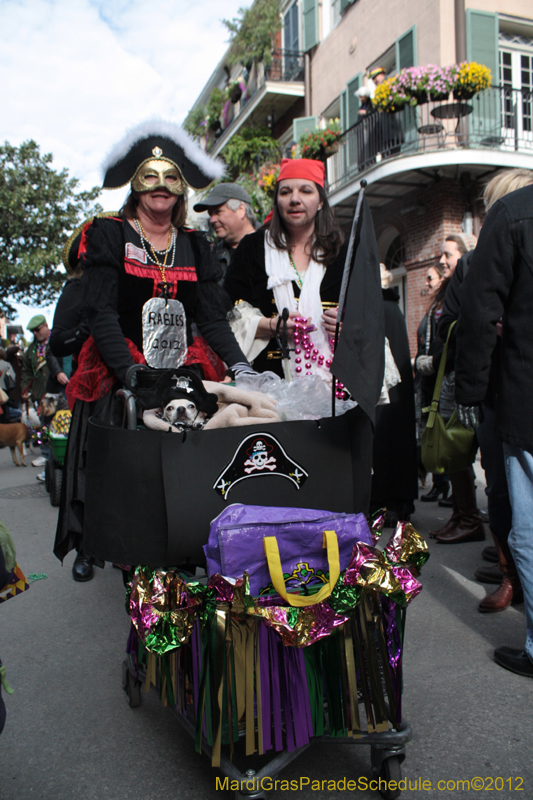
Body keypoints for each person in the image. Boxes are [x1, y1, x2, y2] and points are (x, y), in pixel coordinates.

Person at [55, 120, 255, 582]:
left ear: (181, 188)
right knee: (120, 455)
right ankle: (102, 538)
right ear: (136, 186)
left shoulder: (194, 243)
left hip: (183, 364)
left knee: (197, 453)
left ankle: (191, 543)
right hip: (121, 361)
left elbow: (209, 317)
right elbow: (102, 312)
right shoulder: (108, 234)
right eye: (151, 177)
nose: (161, 188)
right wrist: (128, 371)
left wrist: (241, 365)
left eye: (170, 179)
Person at [225, 157, 384, 515]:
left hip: (334, 386)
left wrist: (348, 327)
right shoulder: (253, 249)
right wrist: (269, 325)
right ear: (277, 200)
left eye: (305, 191)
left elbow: (368, 310)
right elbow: (227, 310)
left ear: (320, 200)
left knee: (330, 477)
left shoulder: (345, 248)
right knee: (277, 478)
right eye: (286, 191)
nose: (295, 199)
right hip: (271, 384)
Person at [438, 169, 533, 611]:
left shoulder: (508, 221)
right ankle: (509, 571)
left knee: (516, 504)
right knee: (501, 492)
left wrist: (469, 393)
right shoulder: (491, 243)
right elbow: (467, 316)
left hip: (513, 391)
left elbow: (470, 317)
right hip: (504, 389)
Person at [370, 266, 418, 525]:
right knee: (399, 444)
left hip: (384, 392)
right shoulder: (394, 309)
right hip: (400, 393)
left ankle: (380, 502)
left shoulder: (376, 309)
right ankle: (401, 502)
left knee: (382, 445)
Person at [414, 263, 450, 503]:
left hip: (438, 378)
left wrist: (428, 362)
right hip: (428, 379)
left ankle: (447, 486)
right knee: (431, 432)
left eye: (430, 278)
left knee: (442, 434)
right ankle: (439, 483)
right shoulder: (434, 306)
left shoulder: (446, 305)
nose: (426, 283)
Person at [193, 183, 257, 281]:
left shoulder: (272, 246)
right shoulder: (213, 257)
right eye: (210, 214)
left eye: (218, 212)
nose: (212, 220)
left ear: (241, 210)